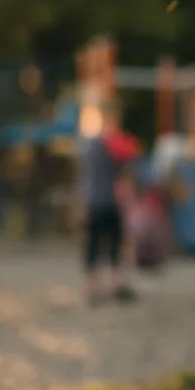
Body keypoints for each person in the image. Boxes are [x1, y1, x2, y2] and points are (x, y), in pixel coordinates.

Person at [75, 101, 137, 303]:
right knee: (114, 245)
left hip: (92, 200)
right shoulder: (111, 143)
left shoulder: (85, 146)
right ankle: (115, 284)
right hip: (109, 201)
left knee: (93, 246)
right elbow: (131, 155)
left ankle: (92, 286)